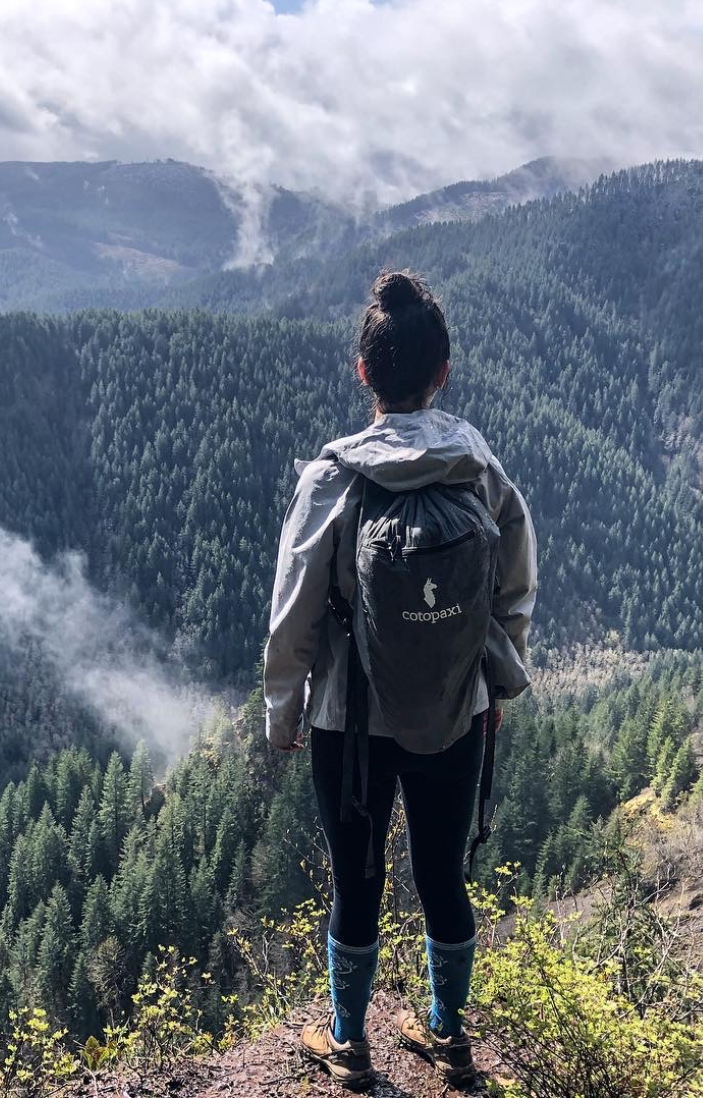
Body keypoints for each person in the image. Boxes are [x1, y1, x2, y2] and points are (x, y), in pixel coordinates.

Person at [263, 270, 537, 1090]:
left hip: (351, 723)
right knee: (443, 876)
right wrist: (494, 683)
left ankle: (350, 1046)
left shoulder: (332, 481)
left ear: (363, 372)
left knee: (358, 880)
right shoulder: (478, 471)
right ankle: (448, 1039)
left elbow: (295, 616)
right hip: (457, 713)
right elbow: (514, 592)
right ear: (442, 371)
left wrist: (285, 715)